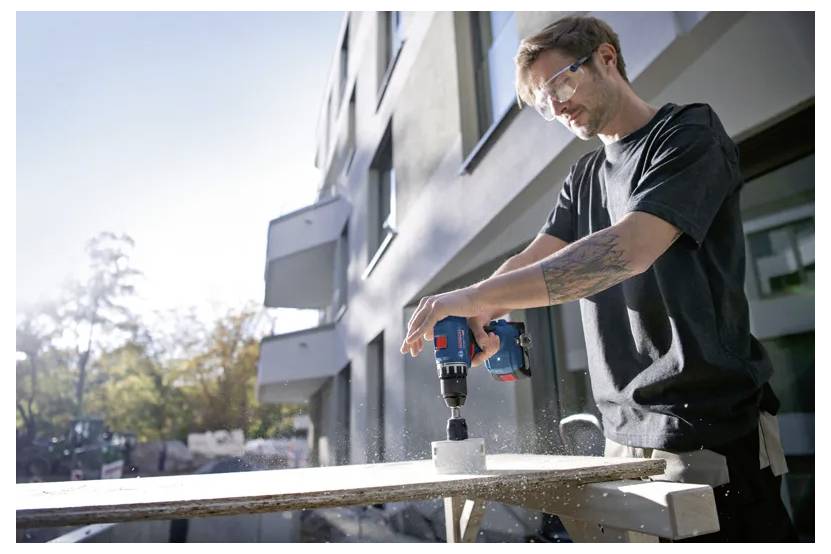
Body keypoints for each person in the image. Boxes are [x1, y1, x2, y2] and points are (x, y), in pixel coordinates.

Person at [399, 15, 797, 542]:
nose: (556, 107)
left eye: (560, 83)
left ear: (606, 59)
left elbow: (627, 251)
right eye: (543, 102)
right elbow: (535, 256)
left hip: (709, 430)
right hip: (622, 436)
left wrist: (473, 294)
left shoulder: (687, 133)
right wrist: (477, 311)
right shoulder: (583, 178)